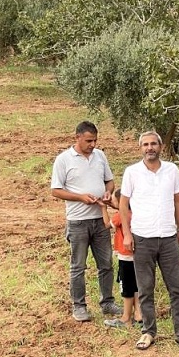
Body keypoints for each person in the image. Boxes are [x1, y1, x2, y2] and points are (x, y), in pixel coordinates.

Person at [119, 131, 179, 350]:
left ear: (160, 146)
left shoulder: (171, 170)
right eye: (145, 144)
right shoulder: (132, 172)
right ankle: (148, 332)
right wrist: (127, 235)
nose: (150, 148)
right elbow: (123, 204)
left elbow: (178, 200)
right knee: (146, 289)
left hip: (168, 237)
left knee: (176, 288)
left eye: (153, 144)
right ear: (140, 148)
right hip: (142, 238)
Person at [51, 121, 122, 322]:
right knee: (78, 266)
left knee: (106, 263)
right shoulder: (63, 160)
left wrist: (108, 192)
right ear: (78, 137)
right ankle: (79, 305)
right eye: (89, 140)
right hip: (78, 221)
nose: (92, 144)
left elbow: (109, 180)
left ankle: (107, 302)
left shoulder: (100, 156)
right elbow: (55, 190)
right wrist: (80, 197)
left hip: (100, 219)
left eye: (95, 140)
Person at [102, 190, 143, 328]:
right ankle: (139, 314)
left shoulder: (120, 216)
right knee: (137, 285)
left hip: (125, 256)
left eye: (114, 201)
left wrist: (103, 207)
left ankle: (126, 318)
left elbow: (107, 224)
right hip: (138, 255)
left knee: (126, 287)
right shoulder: (137, 213)